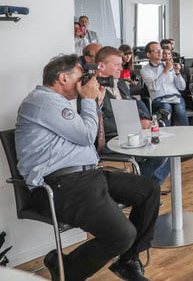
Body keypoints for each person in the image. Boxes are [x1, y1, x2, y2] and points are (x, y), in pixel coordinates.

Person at [15, 54, 159, 281]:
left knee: (149, 188)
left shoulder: (58, 104)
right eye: (80, 77)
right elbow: (85, 135)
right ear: (63, 78)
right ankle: (66, 271)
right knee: (122, 234)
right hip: (60, 185)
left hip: (88, 175)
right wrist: (89, 101)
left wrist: (95, 104)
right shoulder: (44, 102)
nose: (84, 82)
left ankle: (128, 260)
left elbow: (85, 136)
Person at [96, 46, 171, 185]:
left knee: (167, 147)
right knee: (159, 152)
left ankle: (149, 186)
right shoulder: (92, 88)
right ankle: (145, 186)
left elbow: (132, 104)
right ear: (101, 66)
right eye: (116, 65)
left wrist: (144, 118)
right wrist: (135, 125)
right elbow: (100, 123)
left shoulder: (120, 84)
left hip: (131, 133)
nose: (120, 68)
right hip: (111, 138)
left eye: (121, 64)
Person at [140, 42, 188, 126]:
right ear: (148, 54)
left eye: (160, 50)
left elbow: (182, 87)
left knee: (179, 109)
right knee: (166, 108)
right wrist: (166, 70)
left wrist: (177, 73)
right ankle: (164, 132)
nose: (160, 52)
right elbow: (155, 87)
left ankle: (185, 132)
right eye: (156, 50)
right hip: (159, 99)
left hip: (175, 97)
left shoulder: (169, 65)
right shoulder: (145, 70)